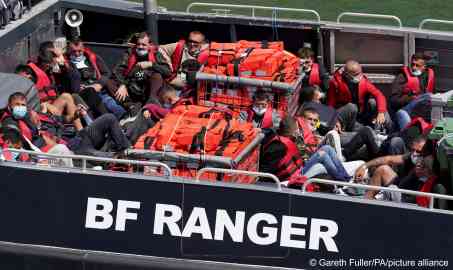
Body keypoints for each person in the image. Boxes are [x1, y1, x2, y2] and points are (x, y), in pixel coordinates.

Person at [260, 117, 352, 183]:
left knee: (327, 148)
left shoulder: (294, 139)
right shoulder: (278, 147)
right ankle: (341, 182)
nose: (298, 131)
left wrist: (301, 144)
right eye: (296, 129)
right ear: (291, 131)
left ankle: (345, 177)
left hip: (300, 166)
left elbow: (304, 156)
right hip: (293, 176)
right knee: (323, 155)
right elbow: (266, 170)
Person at [67, 37, 126, 119]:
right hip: (83, 95)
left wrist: (99, 84)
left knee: (117, 110)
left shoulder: (93, 58)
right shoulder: (67, 63)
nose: (77, 54)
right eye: (74, 51)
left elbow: (107, 73)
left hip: (99, 91)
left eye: (79, 51)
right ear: (69, 50)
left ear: (83, 49)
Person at [354, 135, 429, 200]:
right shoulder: (412, 156)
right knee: (383, 169)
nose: (414, 153)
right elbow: (388, 159)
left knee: (392, 189)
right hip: (402, 188)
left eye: (418, 151)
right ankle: (367, 201)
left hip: (410, 200)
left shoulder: (429, 165)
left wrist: (418, 174)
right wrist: (364, 166)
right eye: (412, 150)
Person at [327, 60, 392, 132]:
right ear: (346, 74)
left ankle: (390, 129)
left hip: (361, 114)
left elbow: (379, 95)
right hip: (347, 116)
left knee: (374, 102)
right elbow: (331, 103)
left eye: (360, 73)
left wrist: (381, 112)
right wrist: (334, 120)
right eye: (356, 74)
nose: (359, 76)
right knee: (352, 107)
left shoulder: (364, 82)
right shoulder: (335, 82)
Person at [15, 64, 83, 131]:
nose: (28, 77)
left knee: (67, 96)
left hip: (47, 111)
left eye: (29, 75)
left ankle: (81, 131)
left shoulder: (31, 87)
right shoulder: (17, 91)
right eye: (24, 75)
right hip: (39, 116)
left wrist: (45, 105)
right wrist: (44, 106)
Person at [113, 32, 171, 107]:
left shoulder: (156, 54)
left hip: (148, 87)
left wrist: (151, 64)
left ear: (150, 45)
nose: (140, 47)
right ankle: (130, 106)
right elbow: (117, 71)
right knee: (108, 82)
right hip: (131, 85)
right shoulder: (129, 53)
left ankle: (150, 103)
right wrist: (123, 84)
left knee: (157, 76)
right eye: (138, 44)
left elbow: (167, 71)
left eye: (144, 45)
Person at [391, 53, 435, 130]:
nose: (414, 68)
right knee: (428, 96)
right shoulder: (402, 76)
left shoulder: (428, 77)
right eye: (412, 64)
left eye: (417, 65)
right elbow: (393, 101)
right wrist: (411, 98)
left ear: (424, 67)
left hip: (422, 112)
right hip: (405, 111)